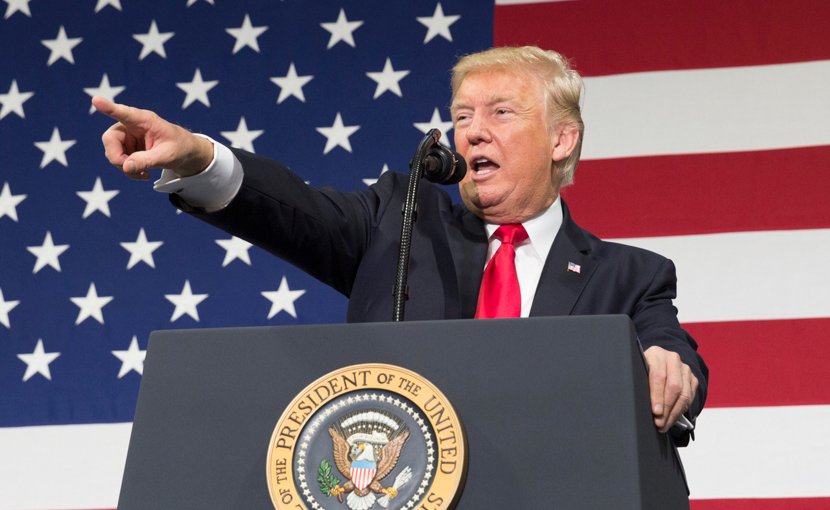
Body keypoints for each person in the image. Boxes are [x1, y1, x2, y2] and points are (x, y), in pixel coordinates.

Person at [93, 46, 707, 442]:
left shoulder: (631, 275)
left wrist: (668, 368)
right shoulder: (399, 221)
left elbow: (672, 351)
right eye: (462, 116)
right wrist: (200, 157)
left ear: (562, 140)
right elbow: (292, 210)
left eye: (500, 113)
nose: (473, 133)